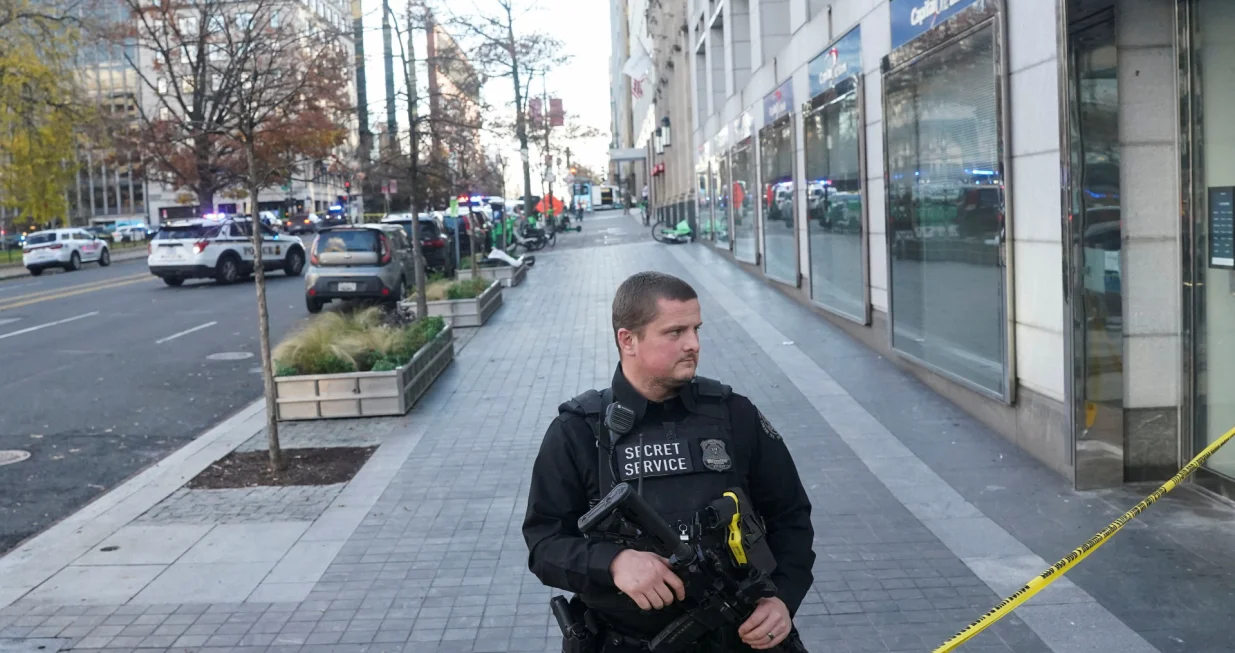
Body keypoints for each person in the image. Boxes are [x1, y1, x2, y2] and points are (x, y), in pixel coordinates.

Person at [523, 271, 815, 652]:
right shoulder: (577, 431)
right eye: (675, 332)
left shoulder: (734, 416)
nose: (693, 344)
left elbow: (790, 517)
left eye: (696, 329)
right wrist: (613, 563)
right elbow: (544, 544)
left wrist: (783, 600)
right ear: (627, 340)